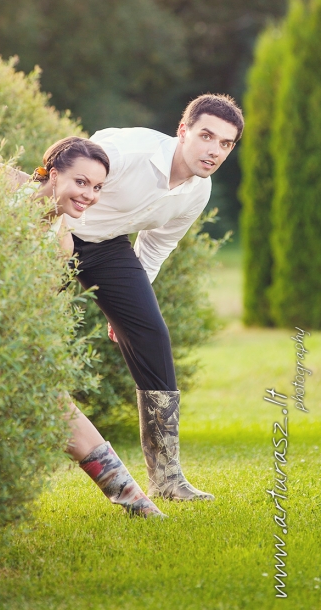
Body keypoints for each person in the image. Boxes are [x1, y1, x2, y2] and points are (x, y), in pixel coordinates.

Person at [65, 94, 245, 502]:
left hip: (109, 248)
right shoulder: (132, 151)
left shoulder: (198, 191)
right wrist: (54, 228)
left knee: (152, 336)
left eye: (226, 144)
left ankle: (166, 478)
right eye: (206, 136)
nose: (214, 150)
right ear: (183, 131)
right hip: (59, 232)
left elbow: (155, 246)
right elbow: (72, 163)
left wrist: (125, 308)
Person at [15, 136, 168, 518]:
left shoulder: (61, 243)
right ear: (54, 174)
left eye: (97, 187)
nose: (89, 195)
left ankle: (136, 504)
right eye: (80, 182)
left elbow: (33, 303)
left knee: (57, 406)